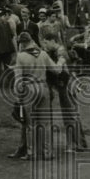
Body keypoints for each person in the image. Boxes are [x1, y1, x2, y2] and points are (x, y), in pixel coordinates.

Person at [10, 32, 53, 160]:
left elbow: (18, 79)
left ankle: (32, 153)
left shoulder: (21, 56)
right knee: (45, 123)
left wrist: (18, 96)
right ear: (32, 40)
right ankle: (47, 152)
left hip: (29, 89)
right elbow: (56, 69)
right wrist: (61, 61)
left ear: (22, 43)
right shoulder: (43, 54)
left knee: (30, 124)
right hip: (43, 87)